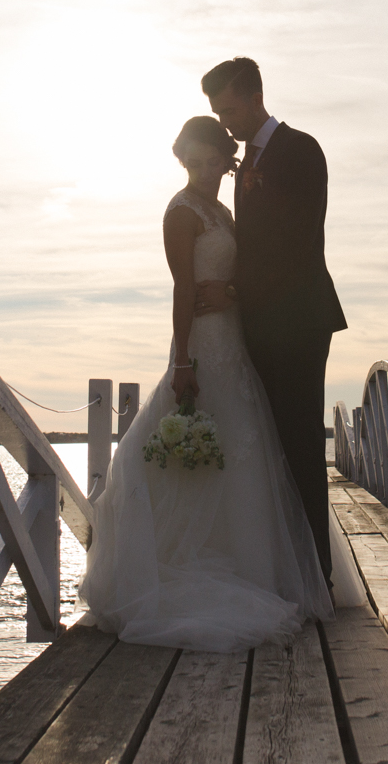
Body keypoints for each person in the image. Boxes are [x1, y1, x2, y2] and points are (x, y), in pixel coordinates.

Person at [77, 116, 332, 651]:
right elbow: (182, 289)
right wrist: (184, 361)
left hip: (235, 340)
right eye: (192, 162)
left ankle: (254, 570)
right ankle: (180, 565)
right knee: (195, 446)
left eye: (211, 160)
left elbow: (250, 270)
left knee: (245, 452)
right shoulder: (181, 211)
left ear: (225, 159)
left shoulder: (223, 210)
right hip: (201, 345)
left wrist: (236, 295)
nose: (202, 169)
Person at [197, 58, 346, 588]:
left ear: (254, 96)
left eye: (229, 109)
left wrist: (234, 289)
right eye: (216, 112)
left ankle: (317, 576)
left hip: (299, 319)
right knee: (272, 442)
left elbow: (296, 244)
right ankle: (288, 567)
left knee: (300, 440)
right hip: (260, 322)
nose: (225, 122)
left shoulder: (300, 150)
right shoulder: (251, 160)